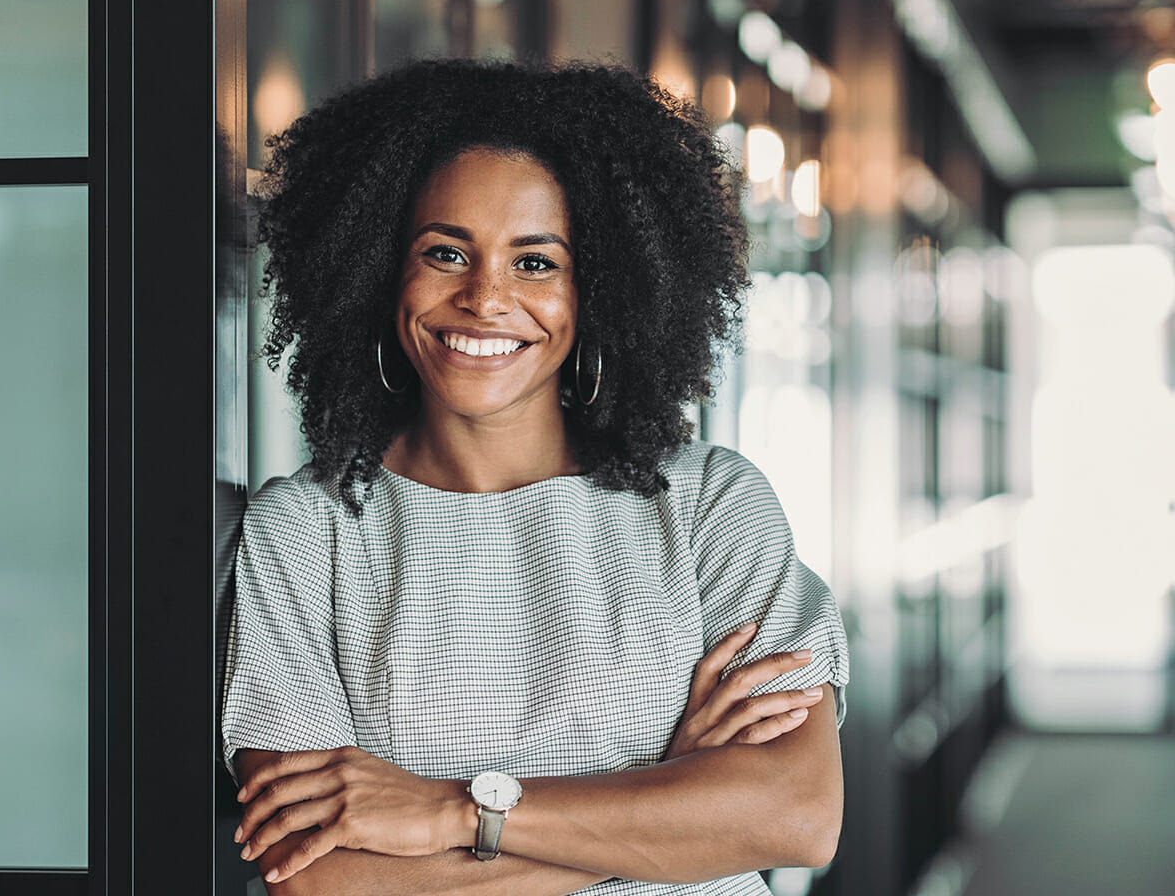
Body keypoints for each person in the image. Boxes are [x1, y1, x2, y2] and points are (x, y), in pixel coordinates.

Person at [219, 59, 850, 896]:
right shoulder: (303, 535)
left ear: (603, 291)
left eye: (536, 263)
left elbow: (796, 817)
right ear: (378, 270)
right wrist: (667, 800)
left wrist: (455, 814)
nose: (486, 297)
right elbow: (323, 881)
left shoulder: (709, 508)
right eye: (445, 252)